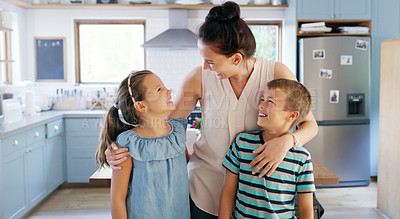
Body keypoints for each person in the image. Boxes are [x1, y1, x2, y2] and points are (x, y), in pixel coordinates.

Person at [105, 2, 318, 218]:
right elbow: (160, 126)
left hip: (257, 197)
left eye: (210, 61)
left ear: (235, 58)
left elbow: (310, 125)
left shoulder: (276, 73)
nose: (205, 67)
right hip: (205, 192)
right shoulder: (198, 78)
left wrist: (287, 142)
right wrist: (117, 149)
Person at [95, 70, 190, 219]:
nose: (169, 91)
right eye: (159, 89)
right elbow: (117, 198)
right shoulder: (129, 143)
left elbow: (186, 164)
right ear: (141, 106)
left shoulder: (177, 133)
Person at [219, 79, 315, 219]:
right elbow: (228, 192)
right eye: (262, 99)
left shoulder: (302, 158)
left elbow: (306, 209)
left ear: (292, 116)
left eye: (270, 102)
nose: (260, 106)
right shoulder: (242, 143)